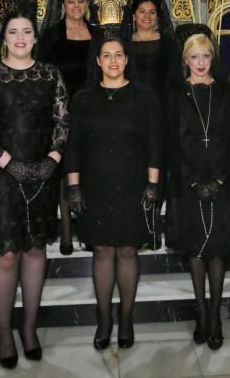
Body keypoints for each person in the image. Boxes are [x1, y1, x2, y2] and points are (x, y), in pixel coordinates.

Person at [0, 0, 69, 369]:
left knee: (34, 250)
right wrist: (7, 162)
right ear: (4, 36)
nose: (20, 38)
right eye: (13, 31)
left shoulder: (50, 74)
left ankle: (28, 329)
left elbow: (63, 121)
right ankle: (2, 332)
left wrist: (52, 159)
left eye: (26, 31)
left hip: (43, 175)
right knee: (7, 253)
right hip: (3, 177)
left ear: (34, 35)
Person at [65, 30, 163, 350]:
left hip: (133, 185)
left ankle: (128, 317)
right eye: (106, 55)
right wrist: (74, 189)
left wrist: (152, 185)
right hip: (95, 186)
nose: (113, 61)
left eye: (119, 55)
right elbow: (74, 146)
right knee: (103, 250)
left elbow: (154, 143)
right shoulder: (83, 99)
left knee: (128, 250)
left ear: (127, 59)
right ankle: (104, 318)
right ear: (97, 61)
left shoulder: (144, 96)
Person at [165, 25, 230, 351]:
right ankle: (201, 312)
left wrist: (221, 179)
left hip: (224, 181)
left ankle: (215, 315)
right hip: (189, 183)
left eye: (206, 56)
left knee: (218, 250)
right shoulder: (176, 93)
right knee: (196, 250)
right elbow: (174, 141)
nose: (201, 63)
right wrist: (193, 180)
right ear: (185, 60)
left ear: (213, 58)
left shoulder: (227, 90)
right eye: (194, 57)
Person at [40, 0, 97, 255]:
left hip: (91, 113)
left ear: (88, 3)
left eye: (81, 1)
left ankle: (86, 229)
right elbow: (44, 76)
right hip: (59, 114)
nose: (76, 6)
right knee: (64, 173)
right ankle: (64, 233)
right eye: (70, 1)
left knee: (86, 172)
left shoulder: (98, 35)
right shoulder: (50, 37)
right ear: (62, 3)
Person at [120, 0, 174, 100]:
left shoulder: (168, 43)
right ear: (134, 15)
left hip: (161, 103)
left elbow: (173, 79)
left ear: (158, 16)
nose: (147, 17)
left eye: (152, 12)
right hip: (131, 102)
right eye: (142, 11)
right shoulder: (124, 44)